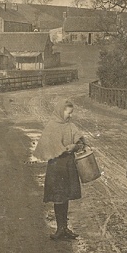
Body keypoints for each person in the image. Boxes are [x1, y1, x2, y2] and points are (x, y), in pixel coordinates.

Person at [34, 100, 87, 240]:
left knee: (66, 196)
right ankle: (59, 229)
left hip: (68, 165)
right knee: (58, 196)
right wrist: (64, 149)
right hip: (57, 166)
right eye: (68, 113)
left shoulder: (70, 126)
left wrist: (75, 147)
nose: (70, 116)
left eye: (71, 113)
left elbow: (81, 142)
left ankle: (64, 228)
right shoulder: (51, 127)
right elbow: (49, 147)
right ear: (60, 111)